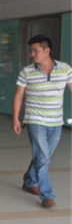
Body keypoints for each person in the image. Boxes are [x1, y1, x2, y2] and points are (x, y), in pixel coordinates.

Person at [12, 34, 72, 209]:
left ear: (47, 50)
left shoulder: (65, 69)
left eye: (35, 51)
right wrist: (15, 118)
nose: (31, 54)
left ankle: (29, 181)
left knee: (43, 156)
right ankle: (47, 196)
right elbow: (18, 95)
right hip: (35, 120)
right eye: (30, 51)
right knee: (43, 157)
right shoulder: (26, 72)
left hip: (56, 121)